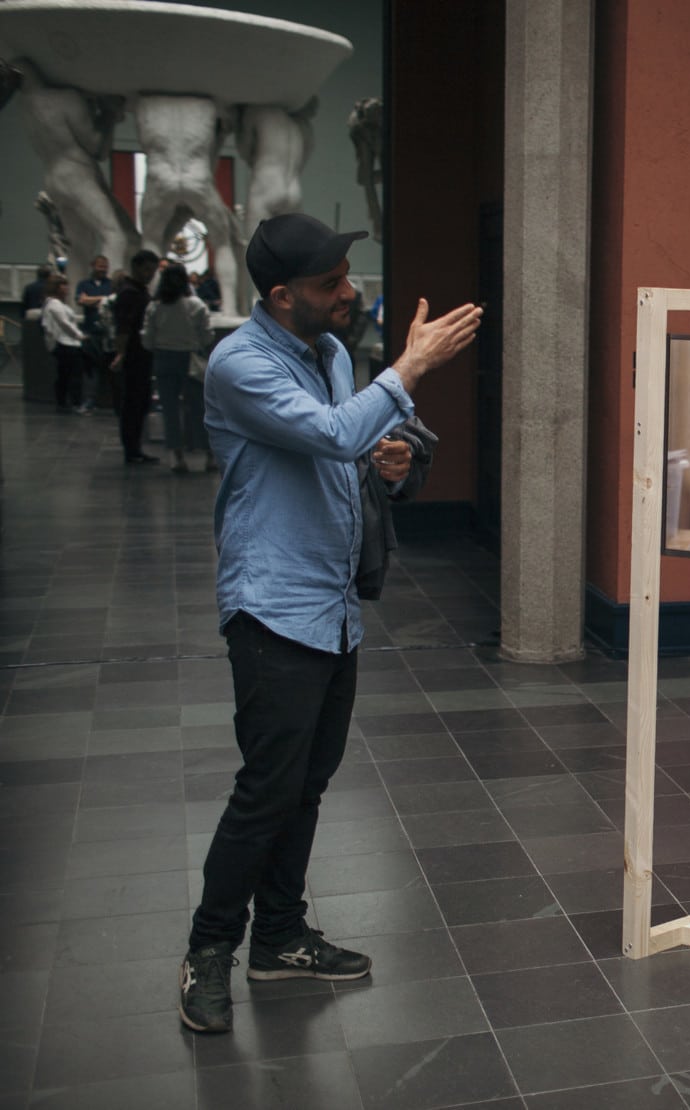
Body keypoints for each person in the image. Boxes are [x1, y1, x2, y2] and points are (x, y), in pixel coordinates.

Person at [177, 212, 481, 1035]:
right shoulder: (239, 365)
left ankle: (278, 936)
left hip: (332, 604)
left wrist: (393, 456)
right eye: (330, 284)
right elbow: (331, 431)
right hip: (273, 606)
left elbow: (357, 443)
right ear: (281, 296)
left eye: (348, 276)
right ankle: (209, 952)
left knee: (306, 784)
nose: (349, 292)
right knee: (266, 789)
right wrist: (409, 370)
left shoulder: (333, 353)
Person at [141, 262, 213, 473]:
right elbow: (207, 335)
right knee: (200, 408)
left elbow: (147, 338)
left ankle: (176, 455)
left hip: (164, 359)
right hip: (191, 359)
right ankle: (209, 454)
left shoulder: (155, 306)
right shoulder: (196, 305)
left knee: (170, 408)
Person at [109, 249, 160, 464]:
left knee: (138, 402)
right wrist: (120, 353)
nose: (150, 274)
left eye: (153, 270)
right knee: (133, 402)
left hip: (140, 353)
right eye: (147, 269)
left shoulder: (137, 290)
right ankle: (132, 449)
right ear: (136, 268)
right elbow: (123, 328)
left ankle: (134, 447)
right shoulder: (130, 293)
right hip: (134, 355)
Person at [39, 273, 85, 412]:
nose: (67, 288)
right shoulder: (55, 304)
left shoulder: (51, 303)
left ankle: (63, 402)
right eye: (64, 285)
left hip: (63, 343)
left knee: (64, 375)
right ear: (57, 287)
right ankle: (75, 403)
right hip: (65, 343)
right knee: (73, 375)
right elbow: (64, 323)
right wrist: (79, 335)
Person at [74, 254, 114, 412]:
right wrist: (103, 298)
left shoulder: (111, 284)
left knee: (110, 367)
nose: (103, 269)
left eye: (105, 266)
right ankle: (89, 400)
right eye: (100, 266)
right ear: (93, 266)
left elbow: (112, 300)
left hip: (108, 332)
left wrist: (91, 299)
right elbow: (80, 300)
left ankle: (110, 401)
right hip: (91, 331)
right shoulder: (83, 283)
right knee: (90, 367)